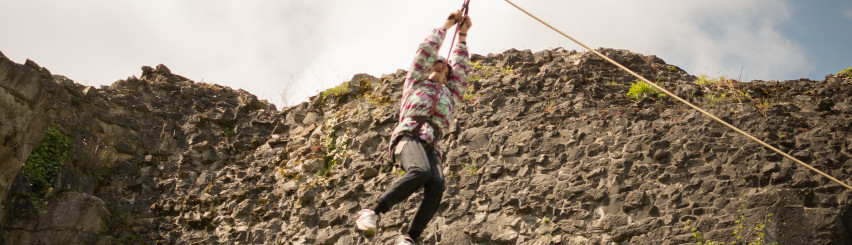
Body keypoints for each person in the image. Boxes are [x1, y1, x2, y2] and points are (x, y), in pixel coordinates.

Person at [355, 10, 473, 245]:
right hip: (408, 135)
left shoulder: (451, 94)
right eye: (436, 65)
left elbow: (461, 69)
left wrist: (462, 36)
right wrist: (447, 25)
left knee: (437, 184)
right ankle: (372, 212)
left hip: (430, 143)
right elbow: (425, 51)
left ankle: (410, 238)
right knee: (420, 171)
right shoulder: (416, 81)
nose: (440, 67)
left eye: (444, 68)